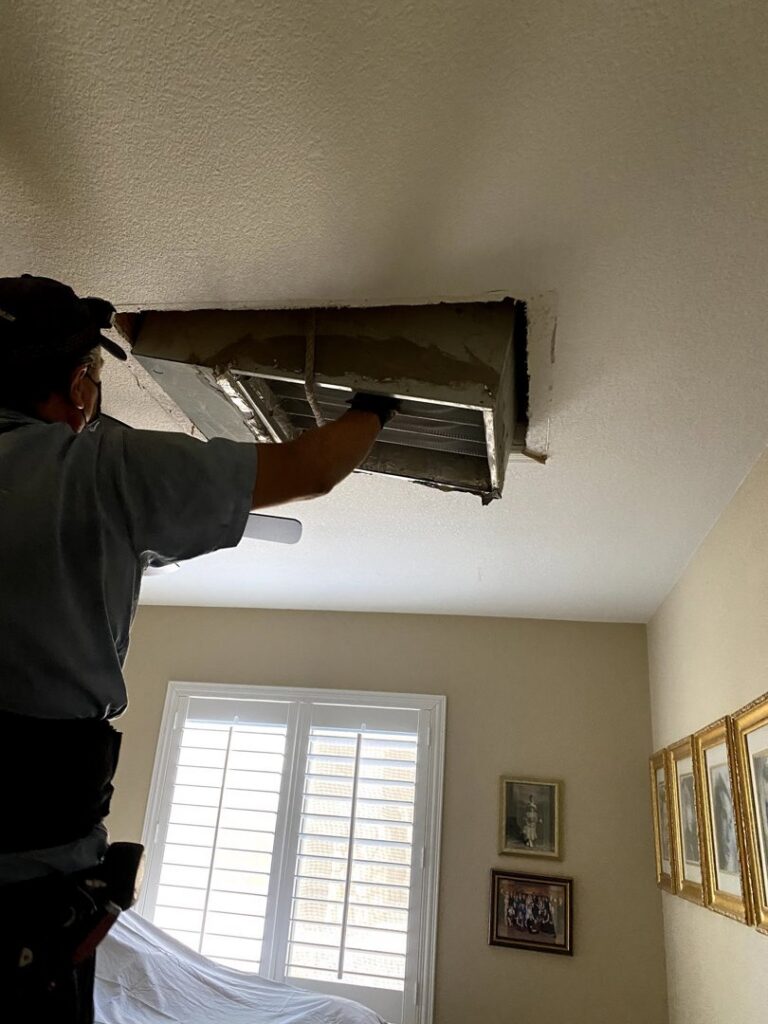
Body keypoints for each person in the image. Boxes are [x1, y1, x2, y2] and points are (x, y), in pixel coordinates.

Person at [0, 274, 398, 1023]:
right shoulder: (104, 472)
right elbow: (312, 468)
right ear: (74, 390)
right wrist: (377, 403)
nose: (93, 389)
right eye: (91, 370)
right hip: (30, 894)